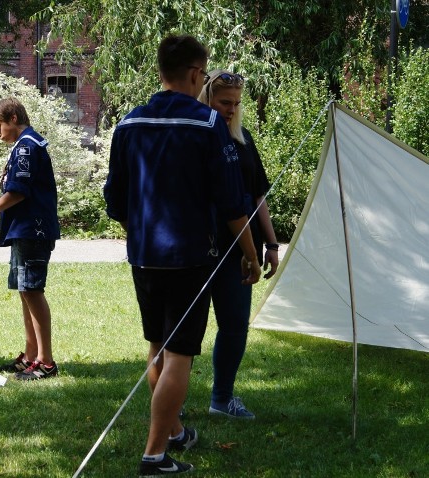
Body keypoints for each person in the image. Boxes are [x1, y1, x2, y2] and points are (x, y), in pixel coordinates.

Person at [103, 35, 261, 476]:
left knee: (157, 347)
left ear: (160, 69)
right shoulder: (209, 123)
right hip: (191, 257)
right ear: (196, 74)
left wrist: (143, 232)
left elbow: (115, 201)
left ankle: (173, 430)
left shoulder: (129, 123)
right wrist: (249, 255)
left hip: (144, 255)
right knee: (179, 356)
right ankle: (155, 455)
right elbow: (233, 205)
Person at [198, 70, 280, 420]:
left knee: (234, 325)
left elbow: (258, 194)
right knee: (187, 330)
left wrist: (272, 244)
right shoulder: (196, 139)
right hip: (201, 247)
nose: (231, 109)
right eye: (223, 102)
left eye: (236, 103)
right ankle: (172, 406)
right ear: (208, 99)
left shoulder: (243, 139)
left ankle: (222, 398)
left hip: (244, 249)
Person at [0, 97, 60, 380]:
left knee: (33, 291)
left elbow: (18, 192)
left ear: (13, 118)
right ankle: (31, 355)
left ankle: (46, 361)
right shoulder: (23, 145)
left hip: (33, 229)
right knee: (25, 291)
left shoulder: (27, 147)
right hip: (24, 229)